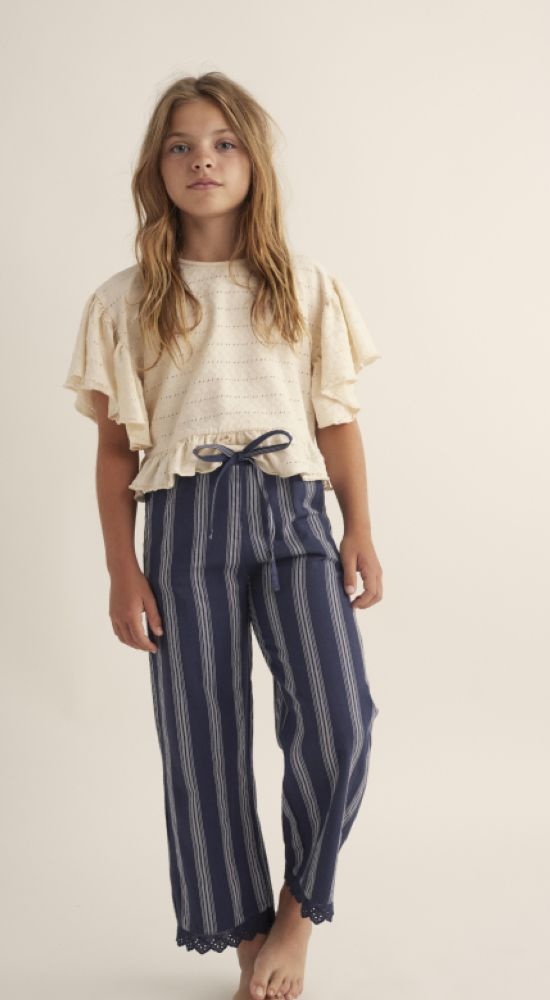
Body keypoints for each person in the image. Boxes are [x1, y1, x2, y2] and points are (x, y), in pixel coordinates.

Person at [62, 71, 382, 1000]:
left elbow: (335, 421)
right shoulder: (125, 299)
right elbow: (115, 452)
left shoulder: (305, 286)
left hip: (292, 513)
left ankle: (295, 916)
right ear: (157, 169)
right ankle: (243, 937)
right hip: (184, 523)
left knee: (342, 720)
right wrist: (122, 571)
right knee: (200, 738)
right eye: (181, 145)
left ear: (252, 162)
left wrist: (359, 530)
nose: (202, 159)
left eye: (222, 143)